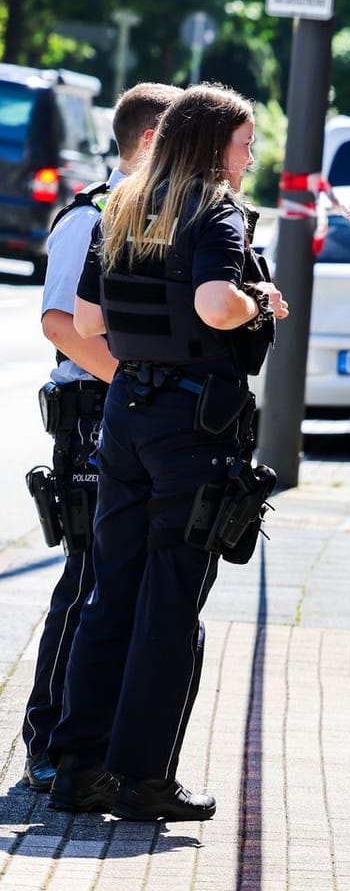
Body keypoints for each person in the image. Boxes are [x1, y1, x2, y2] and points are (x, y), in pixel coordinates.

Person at [46, 83, 288, 822]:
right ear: (215, 145)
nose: (249, 160)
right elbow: (218, 305)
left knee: (109, 590)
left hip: (125, 412)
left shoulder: (122, 205)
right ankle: (145, 779)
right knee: (171, 599)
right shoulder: (212, 210)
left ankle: (76, 768)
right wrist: (259, 299)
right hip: (193, 423)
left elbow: (87, 318)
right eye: (246, 145)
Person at [18, 83, 181, 794]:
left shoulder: (156, 216)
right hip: (95, 406)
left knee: (120, 582)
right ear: (150, 142)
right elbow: (60, 324)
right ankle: (51, 737)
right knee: (88, 576)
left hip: (127, 410)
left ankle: (98, 737)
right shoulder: (91, 217)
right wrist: (137, 388)